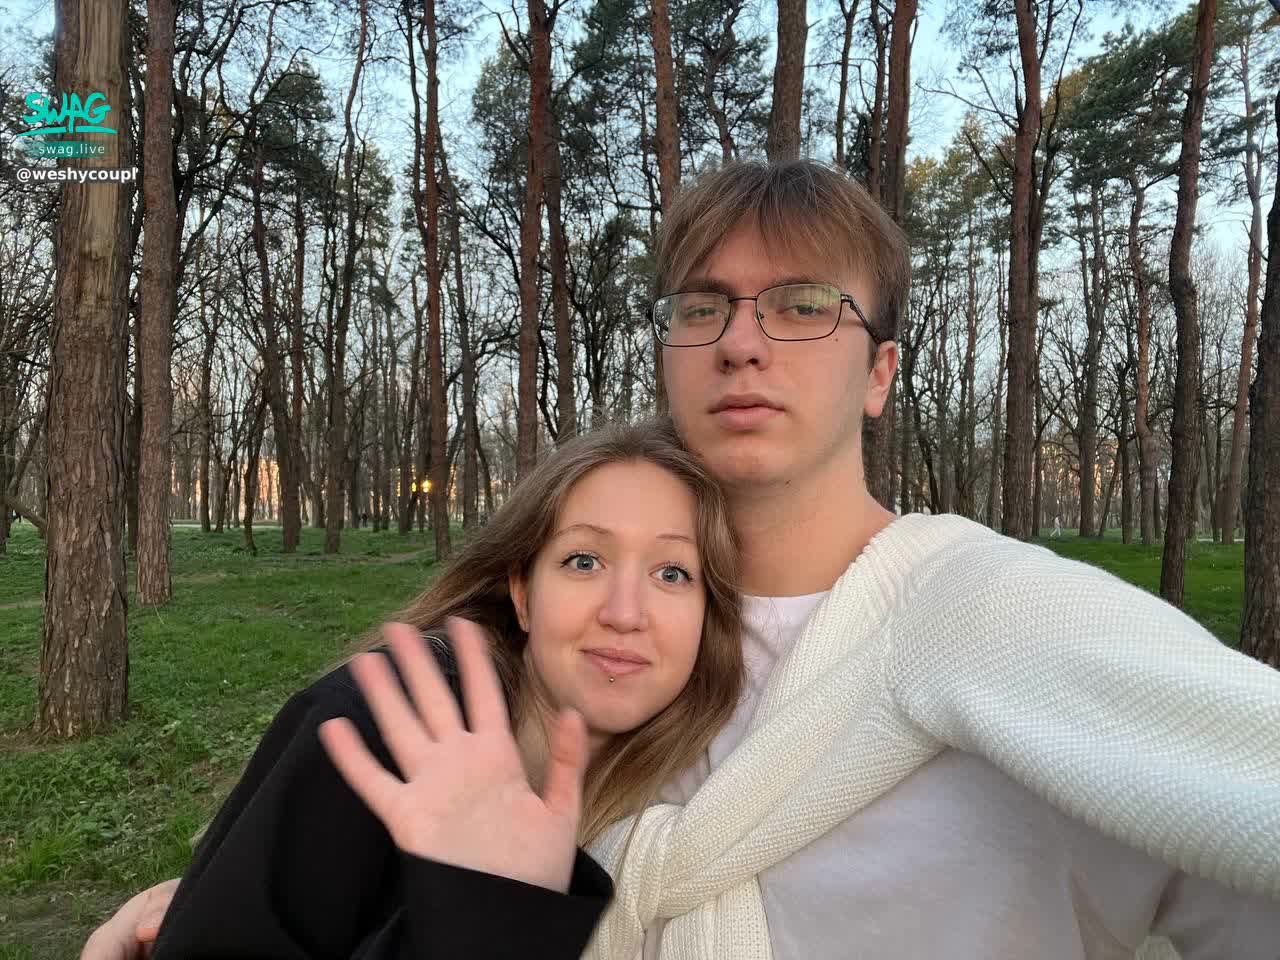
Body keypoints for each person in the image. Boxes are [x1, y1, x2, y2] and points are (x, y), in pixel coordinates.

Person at [86, 160, 1280, 960]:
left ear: (879, 372)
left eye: (802, 305)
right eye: (701, 307)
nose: (742, 342)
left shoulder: (1011, 623)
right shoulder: (540, 674)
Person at [102, 419, 743, 960]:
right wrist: (486, 914)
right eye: (584, 561)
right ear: (523, 593)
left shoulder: (717, 799)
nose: (625, 613)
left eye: (672, 572)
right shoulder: (371, 731)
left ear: (707, 615)